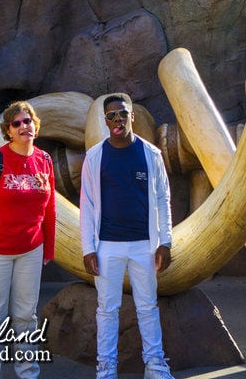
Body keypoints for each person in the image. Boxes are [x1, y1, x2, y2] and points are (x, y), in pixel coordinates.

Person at [80, 93, 174, 379]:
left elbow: (162, 199)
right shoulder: (95, 157)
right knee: (107, 309)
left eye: (122, 113)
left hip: (144, 246)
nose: (117, 119)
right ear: (105, 121)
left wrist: (165, 242)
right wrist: (88, 248)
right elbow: (87, 205)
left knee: (148, 306)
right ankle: (106, 369)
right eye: (111, 116)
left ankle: (155, 365)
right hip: (106, 246)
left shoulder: (152, 155)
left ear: (132, 116)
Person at [0, 100, 56, 379]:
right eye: (16, 123)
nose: (23, 126)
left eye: (27, 121)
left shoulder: (44, 161)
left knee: (26, 316)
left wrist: (48, 248)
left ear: (35, 125)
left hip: (31, 249)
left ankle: (28, 372)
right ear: (8, 130)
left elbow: (50, 209)